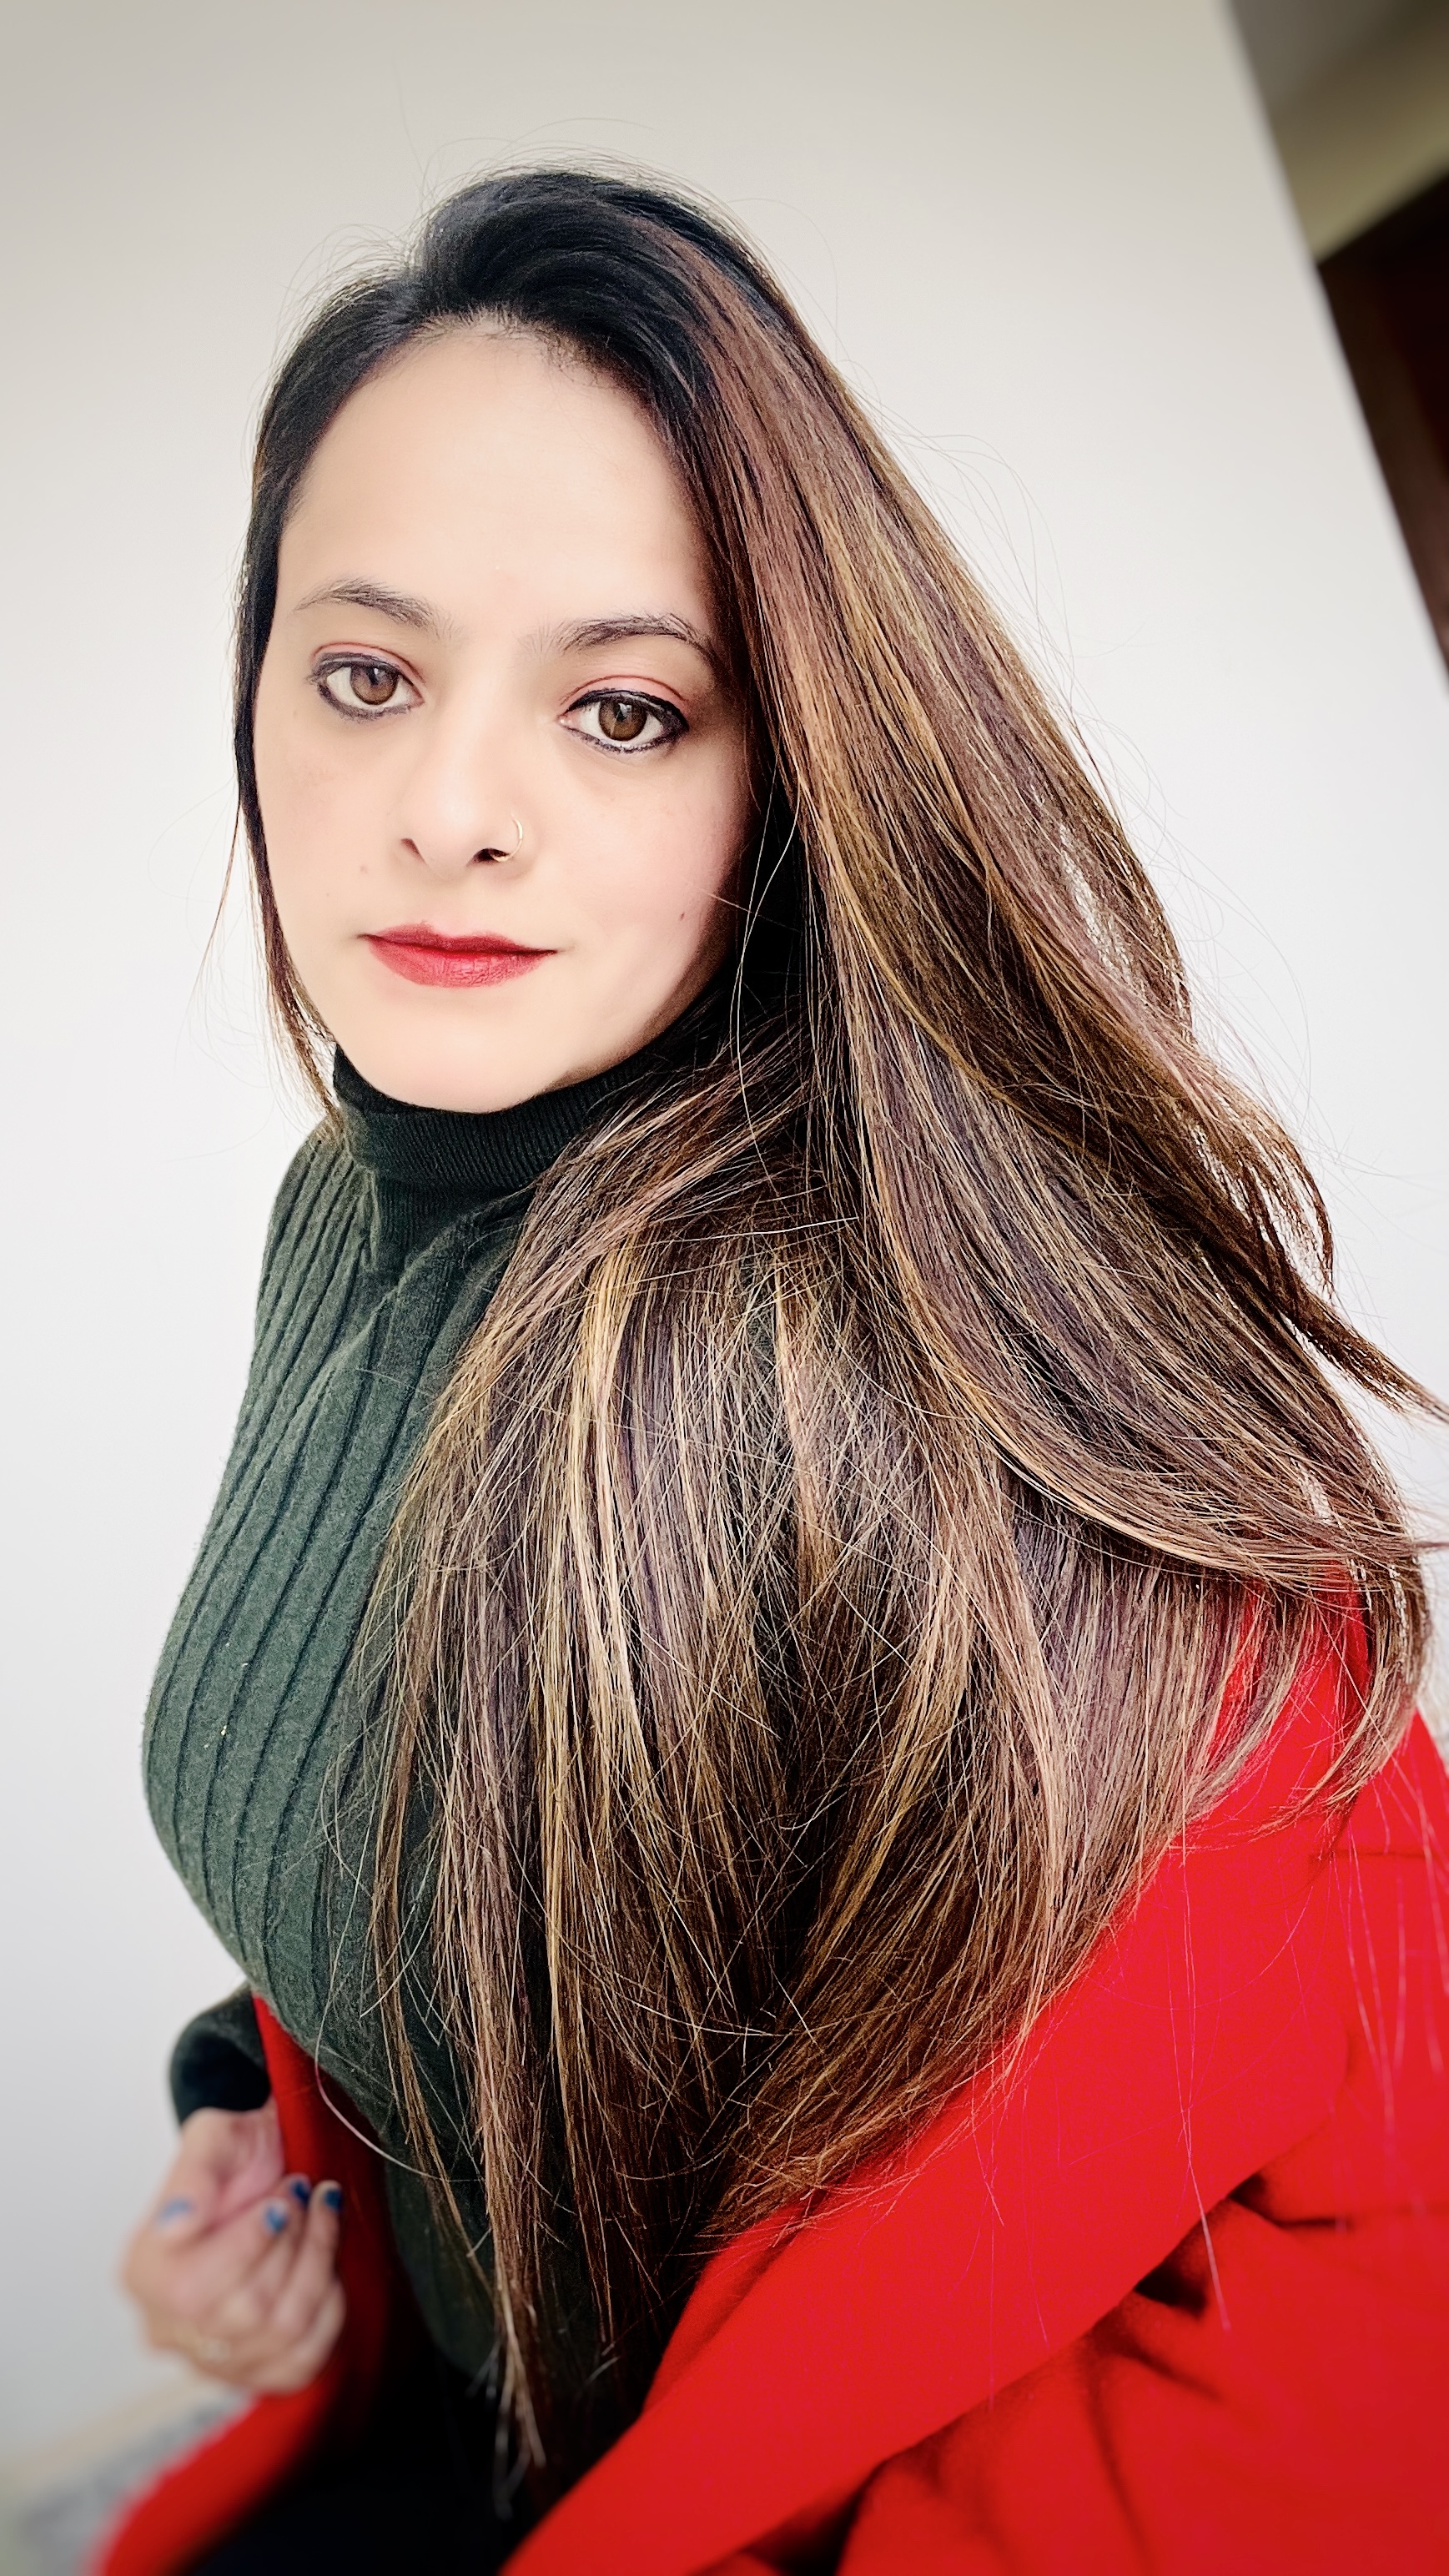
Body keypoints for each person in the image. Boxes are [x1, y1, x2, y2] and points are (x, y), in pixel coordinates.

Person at [109, 168, 1448, 2573]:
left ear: (786, 774)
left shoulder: (916, 1401)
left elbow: (1363, 2283)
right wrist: (264, 2128)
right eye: (367, 672)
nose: (448, 809)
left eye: (623, 708)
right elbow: (447, 1858)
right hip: (449, 2427)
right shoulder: (355, 1212)